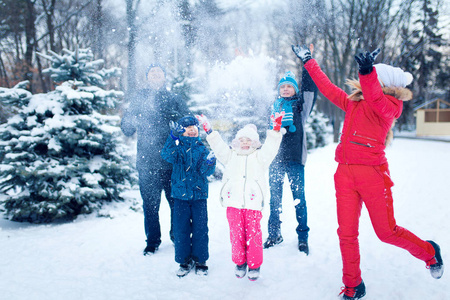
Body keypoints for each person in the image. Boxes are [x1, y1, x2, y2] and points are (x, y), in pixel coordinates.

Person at [292, 45, 444, 299]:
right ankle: (353, 285)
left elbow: (375, 98)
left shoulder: (391, 107)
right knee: (346, 233)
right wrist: (309, 61)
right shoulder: (354, 103)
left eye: (373, 78)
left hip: (373, 175)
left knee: (386, 232)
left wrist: (366, 71)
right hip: (344, 174)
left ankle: (429, 251)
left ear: (381, 82)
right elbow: (328, 89)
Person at [197, 113, 284, 281]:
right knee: (236, 235)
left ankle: (254, 265)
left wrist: (275, 129)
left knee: (254, 236)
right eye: (242, 140)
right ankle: (240, 262)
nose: (245, 143)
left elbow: (271, 147)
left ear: (255, 143)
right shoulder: (230, 156)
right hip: (233, 204)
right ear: (237, 142)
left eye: (249, 140)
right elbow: (219, 146)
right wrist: (209, 131)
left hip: (253, 204)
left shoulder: (260, 157)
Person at [121, 64, 189, 255]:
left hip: (171, 162)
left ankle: (177, 235)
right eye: (152, 72)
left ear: (165, 77)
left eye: (160, 72)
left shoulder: (175, 99)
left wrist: (178, 120)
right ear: (147, 77)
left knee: (175, 202)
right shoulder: (139, 99)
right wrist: (131, 119)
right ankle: (152, 241)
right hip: (147, 162)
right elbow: (127, 127)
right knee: (150, 205)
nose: (156, 74)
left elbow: (189, 123)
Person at [264, 62, 318, 255]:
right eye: (282, 86)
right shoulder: (274, 106)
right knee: (274, 200)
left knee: (299, 199)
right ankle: (274, 234)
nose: (285, 89)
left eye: (289, 86)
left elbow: (309, 89)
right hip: (275, 160)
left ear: (294, 89)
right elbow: (268, 130)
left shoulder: (300, 106)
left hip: (295, 159)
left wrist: (307, 64)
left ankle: (303, 238)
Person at [161, 115, 216, 277]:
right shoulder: (177, 149)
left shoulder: (202, 149)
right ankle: (184, 260)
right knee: (181, 230)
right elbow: (166, 154)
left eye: (194, 127)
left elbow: (207, 172)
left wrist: (210, 163)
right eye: (187, 128)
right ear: (181, 131)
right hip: (180, 197)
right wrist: (172, 137)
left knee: (200, 229)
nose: (192, 130)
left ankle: (200, 260)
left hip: (199, 196)